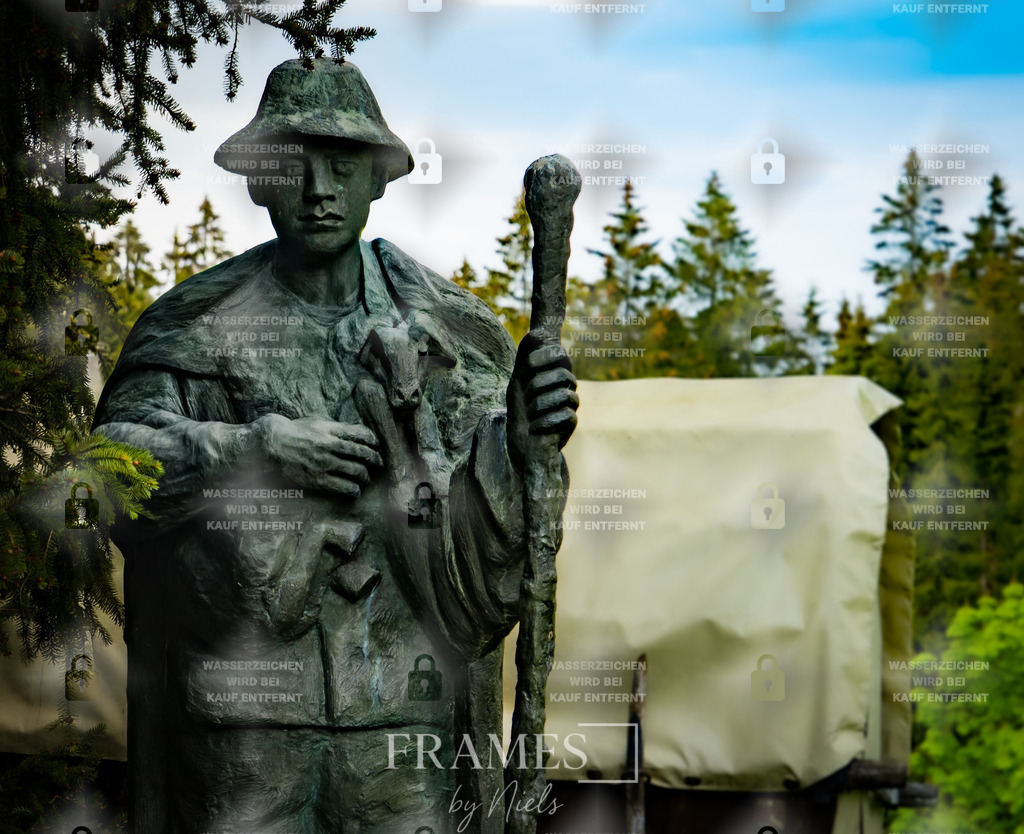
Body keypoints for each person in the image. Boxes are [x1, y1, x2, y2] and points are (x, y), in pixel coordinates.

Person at [93, 58, 578, 833]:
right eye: (294, 166)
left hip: (404, 728)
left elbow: (477, 561)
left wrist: (516, 447)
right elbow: (112, 469)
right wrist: (256, 449)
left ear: (378, 180)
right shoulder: (194, 326)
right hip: (241, 732)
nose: (319, 189)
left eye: (343, 165)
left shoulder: (450, 337)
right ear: (258, 181)